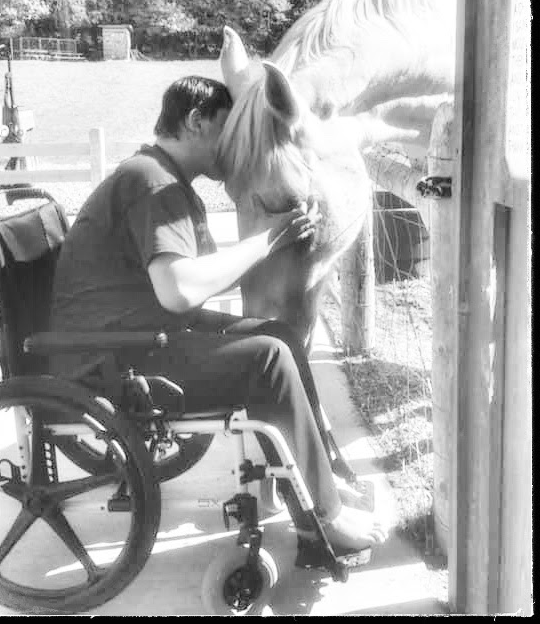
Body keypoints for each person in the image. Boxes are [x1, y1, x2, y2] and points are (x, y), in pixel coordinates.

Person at [50, 75, 389, 554]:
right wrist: (266, 240)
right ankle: (326, 517)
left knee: (278, 336)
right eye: (226, 133)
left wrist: (276, 237)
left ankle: (322, 481)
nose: (233, 150)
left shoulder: (162, 179)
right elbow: (180, 290)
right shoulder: (153, 183)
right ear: (195, 122)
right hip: (110, 363)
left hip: (130, 340)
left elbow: (197, 279)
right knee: (268, 358)